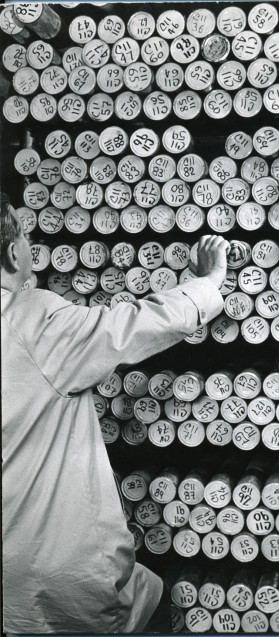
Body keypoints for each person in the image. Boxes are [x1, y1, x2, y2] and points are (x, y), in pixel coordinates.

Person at [1, 192, 229, 634]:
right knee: (150, 605)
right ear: (13, 252)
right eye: (26, 235)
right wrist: (208, 283)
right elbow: (133, 324)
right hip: (53, 574)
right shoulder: (29, 320)